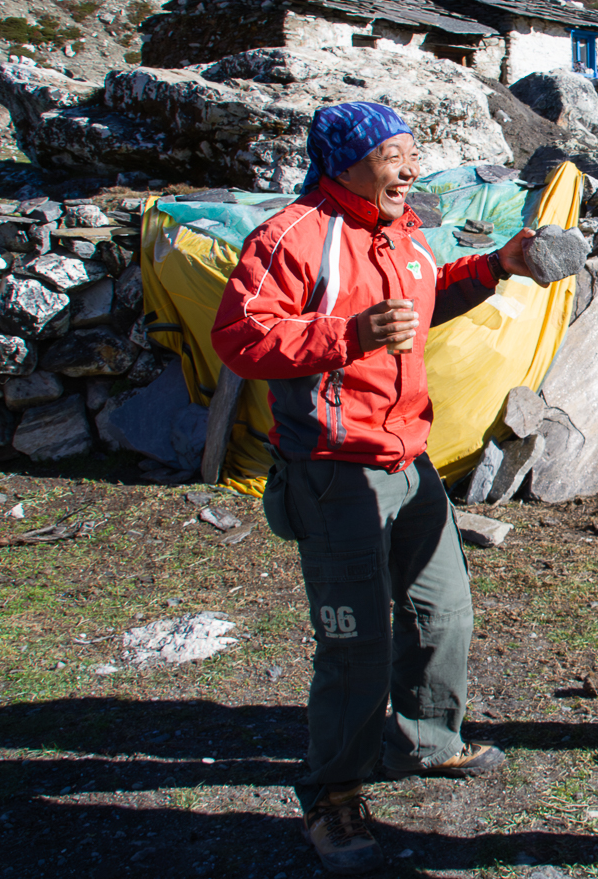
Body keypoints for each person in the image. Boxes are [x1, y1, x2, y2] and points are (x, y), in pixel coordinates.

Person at [212, 101, 541, 875]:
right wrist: (345, 336)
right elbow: (239, 336)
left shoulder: (401, 233)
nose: (411, 167)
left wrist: (497, 265)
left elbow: (424, 305)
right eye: (394, 152)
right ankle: (332, 795)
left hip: (408, 458)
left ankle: (425, 741)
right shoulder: (293, 235)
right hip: (333, 468)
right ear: (346, 161)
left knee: (444, 614)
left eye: (412, 150)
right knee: (356, 642)